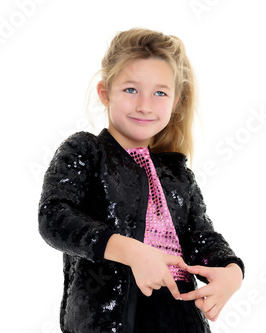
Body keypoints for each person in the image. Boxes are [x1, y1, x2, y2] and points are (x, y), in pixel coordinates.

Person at [38, 28, 244, 333]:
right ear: (105, 93)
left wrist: (231, 272)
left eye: (160, 93)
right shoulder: (86, 150)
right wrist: (131, 252)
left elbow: (201, 236)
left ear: (175, 102)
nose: (145, 105)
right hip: (112, 317)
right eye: (131, 90)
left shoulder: (178, 174)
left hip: (179, 315)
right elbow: (55, 217)